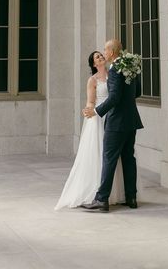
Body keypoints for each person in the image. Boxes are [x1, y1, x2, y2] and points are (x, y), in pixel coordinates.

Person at [54, 51, 125, 210]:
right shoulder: (92, 80)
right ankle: (97, 193)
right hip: (99, 118)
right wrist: (89, 109)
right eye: (97, 58)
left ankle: (117, 192)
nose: (101, 58)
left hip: (114, 117)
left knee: (114, 155)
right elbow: (91, 101)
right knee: (99, 153)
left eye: (101, 55)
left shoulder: (114, 73)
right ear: (94, 64)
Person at [81, 39, 143, 213]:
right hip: (132, 120)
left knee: (109, 159)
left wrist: (96, 111)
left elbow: (114, 97)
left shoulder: (115, 69)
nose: (104, 53)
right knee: (129, 158)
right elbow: (138, 92)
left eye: (105, 51)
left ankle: (101, 200)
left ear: (111, 52)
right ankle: (131, 197)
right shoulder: (130, 66)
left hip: (116, 122)